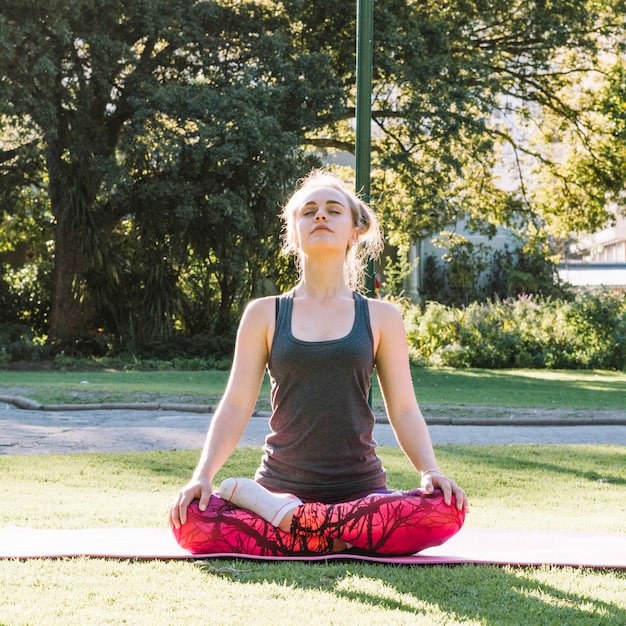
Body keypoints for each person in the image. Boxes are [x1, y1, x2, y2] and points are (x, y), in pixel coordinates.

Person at [168, 169, 469, 556]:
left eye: (332, 210)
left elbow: (405, 409)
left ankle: (295, 526)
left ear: (354, 231)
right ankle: (340, 535)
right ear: (294, 232)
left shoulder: (381, 317)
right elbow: (236, 404)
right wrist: (202, 476)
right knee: (192, 518)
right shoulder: (265, 314)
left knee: (445, 509)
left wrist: (430, 471)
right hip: (279, 487)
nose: (320, 216)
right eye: (308, 211)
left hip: (361, 493)